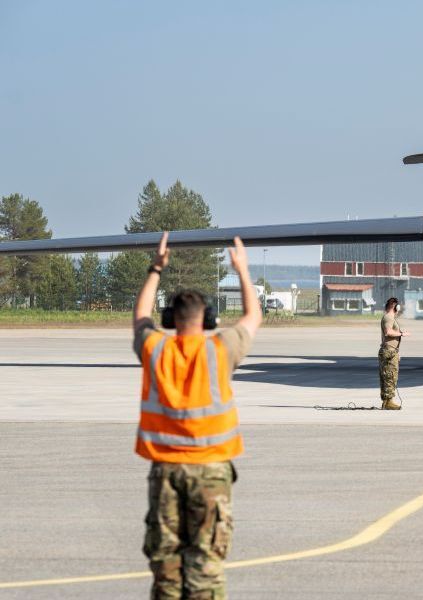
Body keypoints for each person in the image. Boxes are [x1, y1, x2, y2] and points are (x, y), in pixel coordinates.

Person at [133, 232, 262, 600]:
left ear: (171, 319)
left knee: (166, 568)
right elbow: (253, 316)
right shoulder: (221, 348)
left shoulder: (156, 348)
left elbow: (140, 317)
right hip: (210, 470)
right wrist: (242, 269)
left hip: (167, 470)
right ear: (208, 320)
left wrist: (155, 269)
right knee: (205, 566)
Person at [379, 297, 409, 410]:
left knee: (388, 376)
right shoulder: (388, 317)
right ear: (395, 307)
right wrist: (401, 334)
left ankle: (387, 401)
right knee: (390, 376)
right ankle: (389, 402)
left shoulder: (389, 317)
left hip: (391, 351)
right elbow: (388, 332)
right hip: (389, 351)